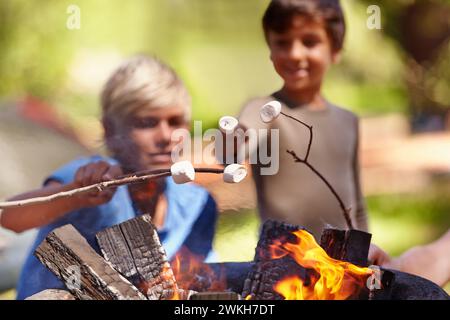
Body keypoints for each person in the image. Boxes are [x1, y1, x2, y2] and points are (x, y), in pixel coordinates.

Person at [0, 55, 218, 299]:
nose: (166, 136)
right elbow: (11, 218)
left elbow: (205, 280)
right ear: (110, 130)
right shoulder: (91, 178)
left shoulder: (196, 204)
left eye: (175, 122)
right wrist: (76, 194)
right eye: (147, 123)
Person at [234, 0, 367, 239]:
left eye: (309, 42)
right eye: (282, 43)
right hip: (282, 263)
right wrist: (234, 141)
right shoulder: (266, 110)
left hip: (339, 267)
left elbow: (356, 206)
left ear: (335, 50)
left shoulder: (348, 122)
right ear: (270, 51)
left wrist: (364, 254)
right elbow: (240, 143)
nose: (295, 54)